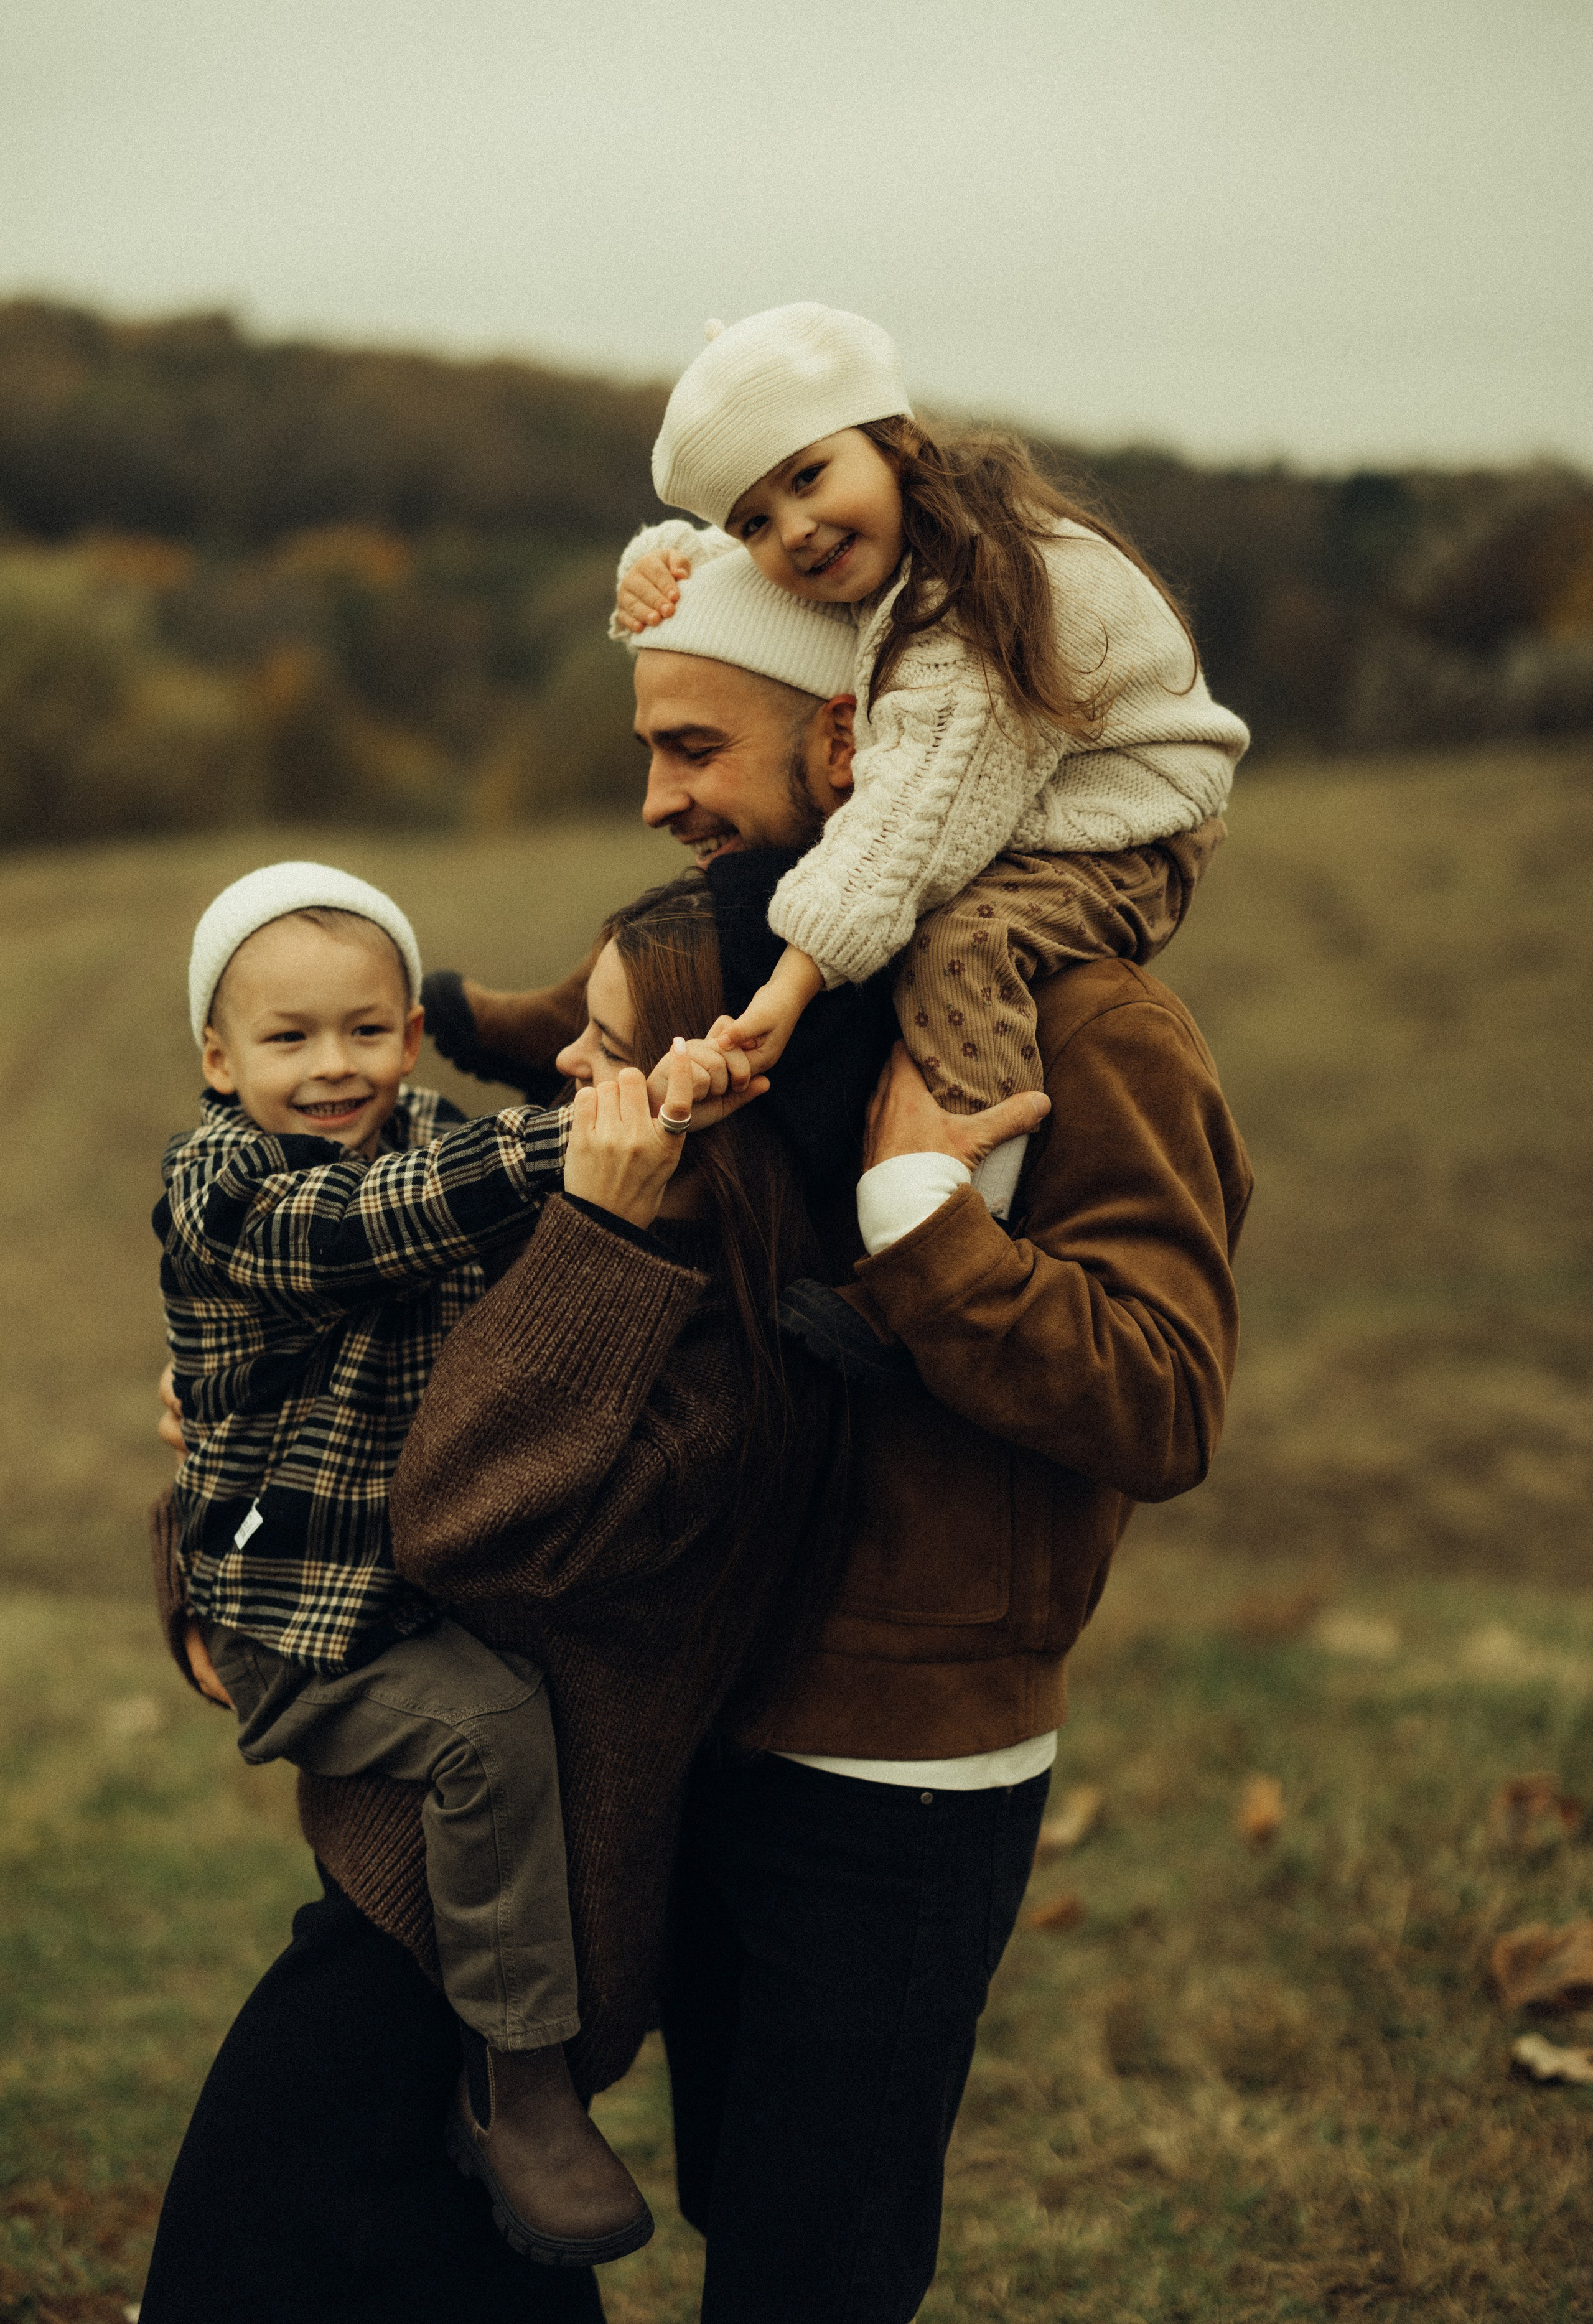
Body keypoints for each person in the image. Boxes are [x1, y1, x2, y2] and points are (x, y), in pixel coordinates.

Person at [430, 545, 1255, 2322]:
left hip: (906, 1761)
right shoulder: (731, 996)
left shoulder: (1093, 1029)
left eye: (691, 752)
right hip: (699, 1707)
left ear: (851, 743)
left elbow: (1164, 1399)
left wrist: (925, 1222)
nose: (655, 801)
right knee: (735, 2191)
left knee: (821, 2261)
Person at [140, 867, 878, 2324]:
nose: (331, 1065)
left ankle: (514, 2087)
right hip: (313, 1624)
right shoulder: (231, 1180)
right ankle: (517, 2081)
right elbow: (363, 1229)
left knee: (430, 2239)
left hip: (432, 1679)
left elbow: (497, 1420)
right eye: (285, 1042)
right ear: (218, 1063)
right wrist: (605, 1139)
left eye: (364, 1031)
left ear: (412, 1038)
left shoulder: (480, 1170)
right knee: (474, 1748)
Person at [614, 299, 1250, 1238]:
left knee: (959, 948)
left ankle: (950, 1219)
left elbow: (905, 822)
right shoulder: (902, 544)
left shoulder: (974, 607)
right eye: (753, 521)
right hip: (1037, 806)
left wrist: (789, 988)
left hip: (1127, 827)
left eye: (808, 476)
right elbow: (751, 584)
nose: (793, 530)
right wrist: (659, 563)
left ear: (891, 438)